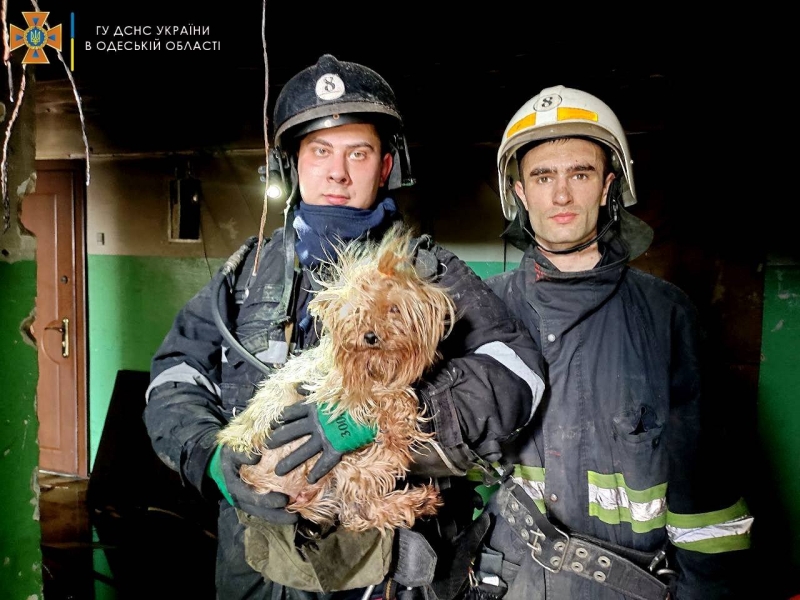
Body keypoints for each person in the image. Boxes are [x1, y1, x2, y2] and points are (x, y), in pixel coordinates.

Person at [143, 54, 545, 600]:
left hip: (386, 575)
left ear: (385, 166)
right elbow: (174, 379)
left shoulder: (429, 274)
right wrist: (208, 455)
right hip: (256, 569)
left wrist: (384, 417)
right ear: (293, 165)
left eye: (358, 153)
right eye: (320, 151)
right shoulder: (245, 275)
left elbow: (517, 376)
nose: (337, 172)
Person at [463, 85, 754, 600]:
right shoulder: (484, 308)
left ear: (608, 186)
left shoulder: (667, 316)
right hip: (507, 581)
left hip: (629, 585)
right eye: (543, 176)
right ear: (520, 192)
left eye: (580, 174)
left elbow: (706, 494)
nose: (561, 195)